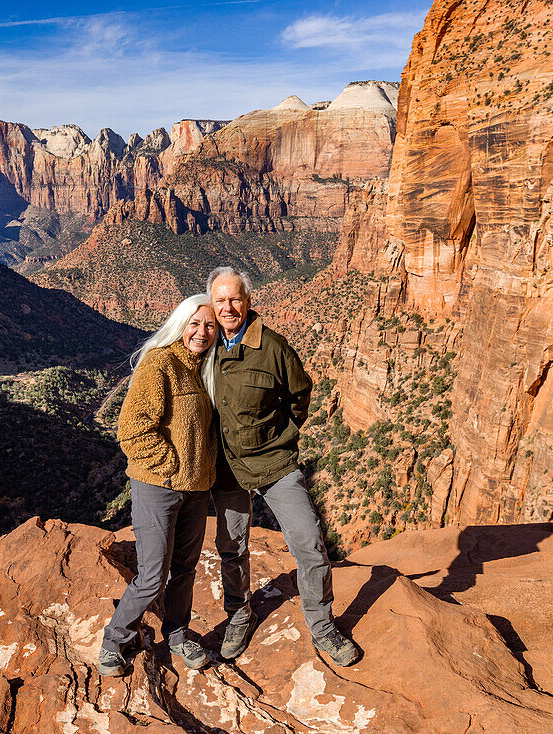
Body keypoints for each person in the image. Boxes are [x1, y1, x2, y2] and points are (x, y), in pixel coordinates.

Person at [206, 266, 361, 666]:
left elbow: (300, 394)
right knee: (231, 547)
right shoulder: (203, 345)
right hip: (226, 467)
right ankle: (239, 615)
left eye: (235, 299)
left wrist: (282, 435)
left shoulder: (273, 347)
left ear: (248, 301)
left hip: (275, 461)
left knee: (309, 544)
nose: (228, 307)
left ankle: (323, 626)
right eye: (220, 300)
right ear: (211, 304)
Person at [98, 294, 219, 677]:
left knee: (184, 568)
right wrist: (170, 466)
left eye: (210, 325)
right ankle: (115, 639)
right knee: (153, 574)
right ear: (179, 323)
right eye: (195, 323)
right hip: (159, 486)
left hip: (197, 489)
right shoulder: (159, 363)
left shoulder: (207, 368)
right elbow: (131, 431)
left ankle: (179, 634)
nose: (202, 332)